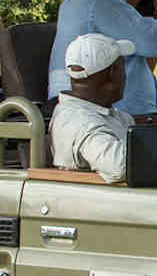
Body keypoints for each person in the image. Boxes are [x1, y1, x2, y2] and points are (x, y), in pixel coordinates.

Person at [50, 34, 137, 182]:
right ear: (113, 73)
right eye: (123, 67)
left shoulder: (97, 113)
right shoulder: (79, 123)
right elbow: (120, 166)